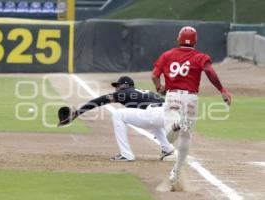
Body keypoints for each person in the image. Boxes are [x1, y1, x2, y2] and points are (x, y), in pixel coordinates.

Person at [151, 26, 232, 186]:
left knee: (168, 133)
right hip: (191, 99)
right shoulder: (200, 57)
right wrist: (222, 90)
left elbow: (155, 75)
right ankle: (176, 171)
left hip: (173, 95)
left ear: (178, 39)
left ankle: (175, 124)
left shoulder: (167, 55)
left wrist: (159, 88)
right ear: (195, 41)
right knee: (186, 136)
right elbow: (210, 72)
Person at [60, 76, 179, 161]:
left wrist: (78, 112)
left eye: (117, 85)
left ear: (125, 85)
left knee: (118, 115)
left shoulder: (125, 92)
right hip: (168, 114)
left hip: (156, 114)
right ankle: (167, 149)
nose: (116, 88)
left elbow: (100, 100)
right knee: (152, 121)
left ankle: (126, 154)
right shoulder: (146, 93)